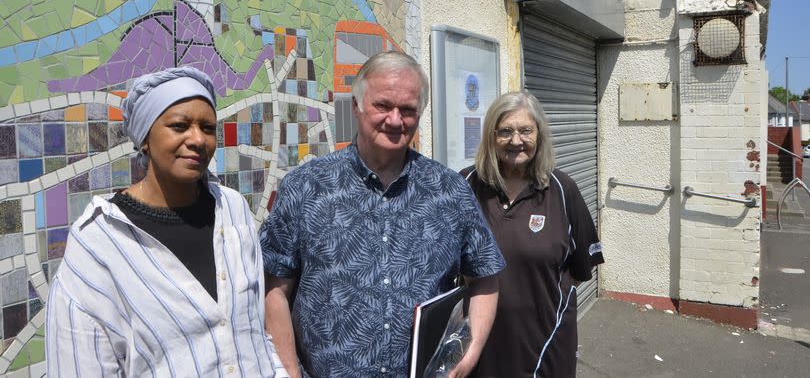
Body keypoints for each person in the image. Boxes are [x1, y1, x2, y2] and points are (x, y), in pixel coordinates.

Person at [260, 51, 506, 378]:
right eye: (383, 106)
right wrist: (288, 372)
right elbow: (273, 287)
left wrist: (468, 356)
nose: (394, 120)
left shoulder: (450, 191)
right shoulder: (305, 187)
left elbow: (485, 277)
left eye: (407, 110)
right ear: (356, 106)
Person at [46, 67, 287, 377]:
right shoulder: (99, 242)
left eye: (208, 127)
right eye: (179, 126)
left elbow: (255, 333)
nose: (198, 139)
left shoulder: (233, 210)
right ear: (145, 138)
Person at [461, 92, 604, 378]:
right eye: (505, 132)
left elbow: (580, 268)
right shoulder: (466, 185)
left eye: (526, 130)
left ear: (539, 135)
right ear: (491, 136)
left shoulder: (563, 190)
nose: (516, 141)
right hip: (479, 343)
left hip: (546, 344)